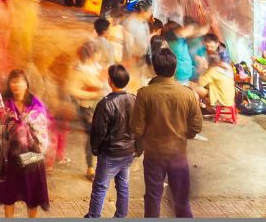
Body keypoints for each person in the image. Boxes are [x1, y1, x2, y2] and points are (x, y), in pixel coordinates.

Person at [131, 46, 203, 217]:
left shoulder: (145, 94)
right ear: (175, 68)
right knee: (181, 200)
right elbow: (196, 127)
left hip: (154, 155)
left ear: (154, 69)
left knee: (153, 198)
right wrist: (184, 134)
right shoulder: (187, 95)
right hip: (178, 154)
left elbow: (137, 128)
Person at [0, 69, 53, 217]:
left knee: (32, 198)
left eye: (20, 81)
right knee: (9, 197)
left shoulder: (36, 105)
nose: (17, 85)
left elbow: (42, 131)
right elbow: (0, 128)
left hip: (33, 157)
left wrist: (24, 127)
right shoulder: (5, 105)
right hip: (13, 157)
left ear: (26, 84)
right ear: (10, 84)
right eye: (13, 81)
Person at [86, 63, 136, 217]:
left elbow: (98, 131)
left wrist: (96, 149)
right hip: (129, 152)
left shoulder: (106, 103)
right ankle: (121, 216)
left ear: (110, 81)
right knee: (123, 186)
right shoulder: (134, 99)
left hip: (110, 154)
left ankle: (93, 216)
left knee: (100, 187)